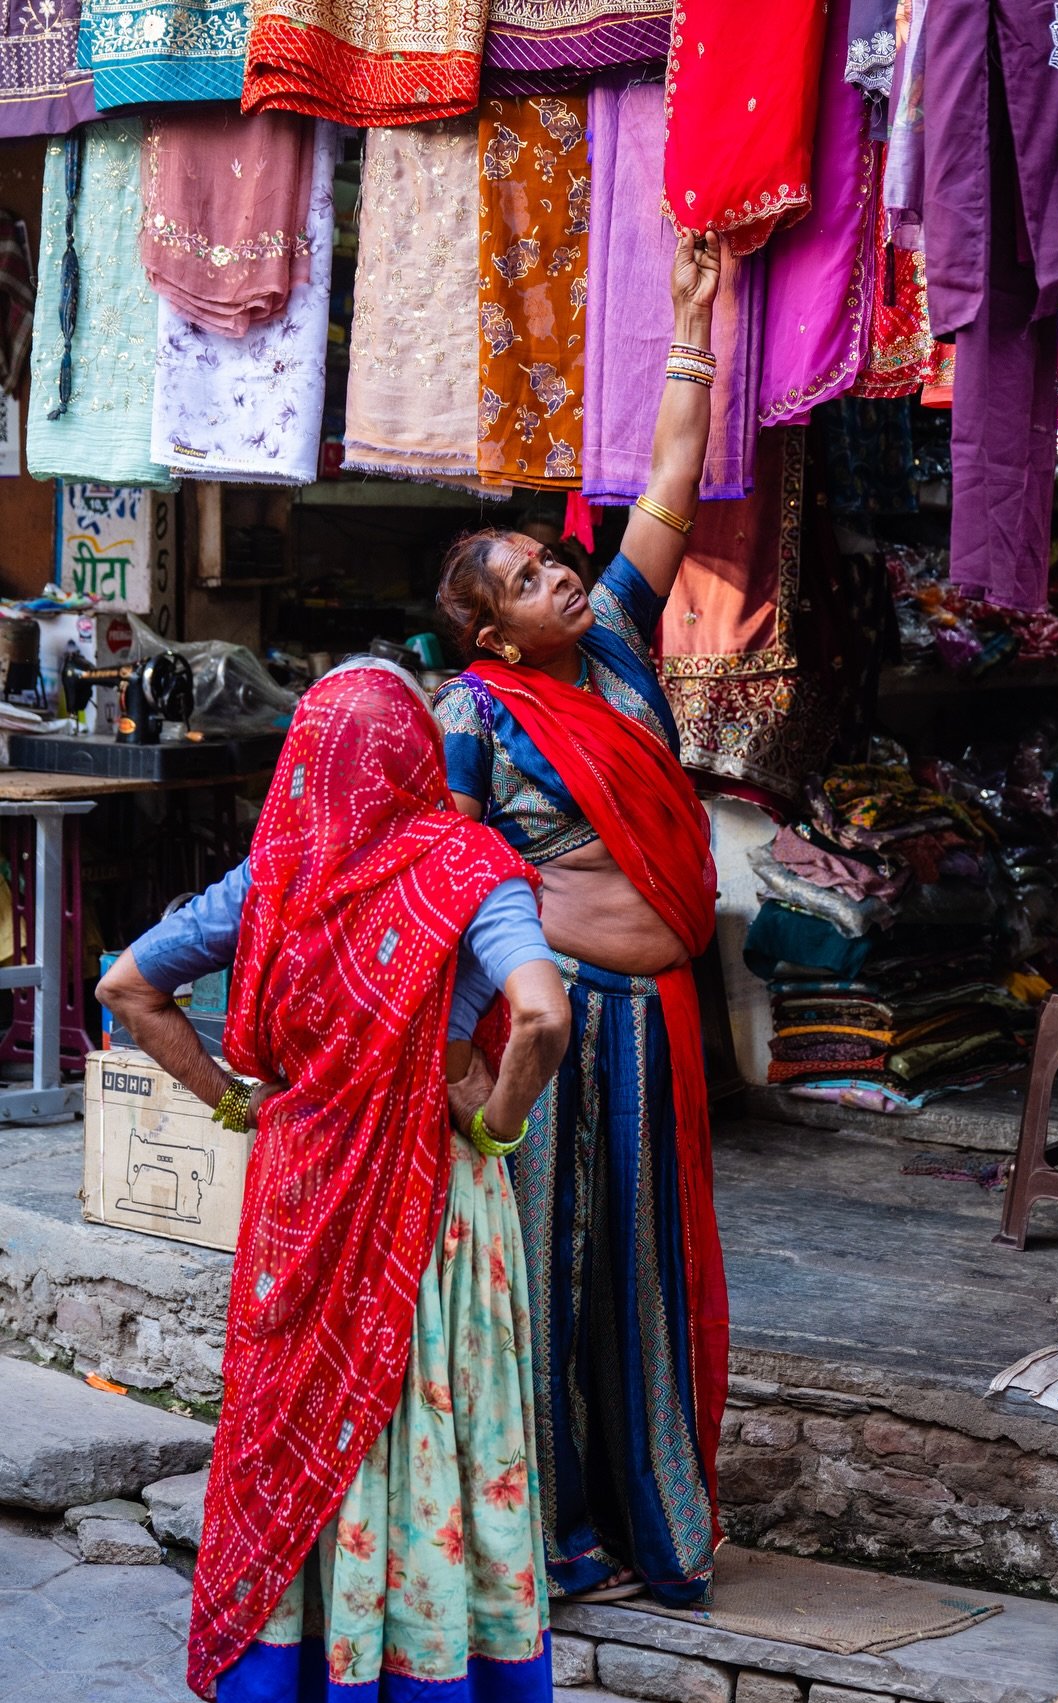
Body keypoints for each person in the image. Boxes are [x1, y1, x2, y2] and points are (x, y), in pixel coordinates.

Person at [97, 659, 572, 1703]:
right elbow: (540, 1015)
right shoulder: (466, 871)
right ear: (419, 759)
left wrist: (239, 1103)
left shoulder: (274, 879)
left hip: (300, 1208)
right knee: (423, 1470)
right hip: (431, 1219)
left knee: (291, 1454)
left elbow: (127, 987)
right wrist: (494, 1120)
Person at [432, 228, 727, 1608]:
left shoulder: (612, 638)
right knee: (545, 1274)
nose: (560, 572)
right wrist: (451, 1061)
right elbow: (440, 876)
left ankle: (654, 1519)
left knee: (646, 1273)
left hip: (655, 1014)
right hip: (547, 1018)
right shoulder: (474, 718)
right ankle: (542, 1540)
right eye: (528, 576)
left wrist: (690, 321)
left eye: (554, 559)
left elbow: (670, 475)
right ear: (494, 635)